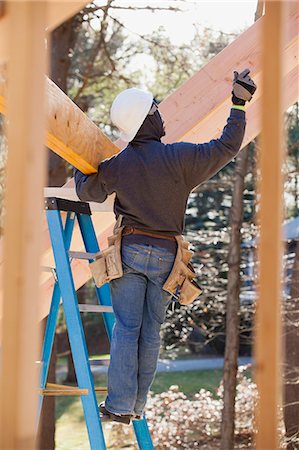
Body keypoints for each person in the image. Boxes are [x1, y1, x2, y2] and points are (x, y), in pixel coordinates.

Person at [74, 69, 256, 424]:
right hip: (167, 257)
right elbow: (226, 146)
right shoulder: (179, 159)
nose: (161, 114)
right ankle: (137, 406)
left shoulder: (120, 165)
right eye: (155, 109)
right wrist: (238, 103)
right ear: (147, 119)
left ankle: (121, 405)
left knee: (128, 328)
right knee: (150, 330)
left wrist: (82, 167)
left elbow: (88, 191)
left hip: (131, 251)